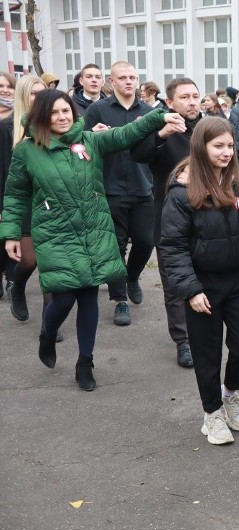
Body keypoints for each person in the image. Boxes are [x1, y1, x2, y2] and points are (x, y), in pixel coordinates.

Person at [0, 89, 183, 391]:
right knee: (64, 296)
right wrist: (9, 234)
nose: (62, 117)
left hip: (93, 229)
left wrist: (159, 115)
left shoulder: (89, 141)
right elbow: (16, 194)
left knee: (87, 295)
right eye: (54, 113)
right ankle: (48, 333)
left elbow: (126, 134)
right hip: (55, 232)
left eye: (66, 111)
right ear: (41, 117)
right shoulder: (27, 151)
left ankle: (85, 361)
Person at [159, 117, 239, 445]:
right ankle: (212, 413)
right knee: (207, 356)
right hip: (202, 286)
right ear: (201, 147)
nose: (226, 152)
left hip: (238, 281)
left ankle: (230, 393)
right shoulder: (182, 192)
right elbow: (172, 247)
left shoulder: (236, 184)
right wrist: (190, 290)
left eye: (230, 146)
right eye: (218, 146)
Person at [130, 77, 204, 368]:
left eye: (195, 96)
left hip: (207, 218)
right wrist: (160, 134)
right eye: (184, 97)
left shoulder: (208, 128)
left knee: (204, 277)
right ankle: (183, 341)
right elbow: (138, 155)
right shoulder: (161, 128)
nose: (191, 101)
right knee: (174, 282)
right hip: (169, 217)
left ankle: (202, 331)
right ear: (170, 102)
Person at [85, 61, 156, 327]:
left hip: (142, 187)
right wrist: (93, 135)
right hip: (110, 188)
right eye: (123, 78)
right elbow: (81, 143)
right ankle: (119, 299)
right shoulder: (97, 110)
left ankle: (133, 276)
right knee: (115, 246)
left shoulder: (148, 112)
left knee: (146, 240)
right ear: (111, 82)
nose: (129, 82)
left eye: (133, 77)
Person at [2, 75, 44, 322]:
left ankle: (50, 320)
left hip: (50, 203)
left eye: (42, 93)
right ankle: (17, 287)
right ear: (22, 96)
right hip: (22, 203)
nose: (39, 99)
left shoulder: (52, 126)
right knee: (29, 260)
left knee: (52, 262)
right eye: (34, 94)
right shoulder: (7, 128)